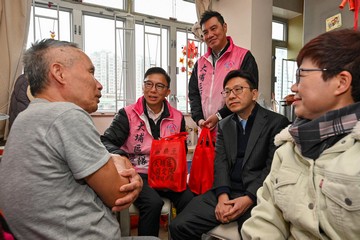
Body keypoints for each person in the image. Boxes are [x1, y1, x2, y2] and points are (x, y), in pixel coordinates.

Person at [0, 39, 157, 240]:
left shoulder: (26, 117)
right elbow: (119, 194)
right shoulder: (67, 114)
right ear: (59, 73)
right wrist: (127, 168)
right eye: (91, 72)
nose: (99, 84)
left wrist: (112, 158)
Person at [241, 28, 360, 239]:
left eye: (301, 75)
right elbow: (267, 219)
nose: (294, 86)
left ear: (341, 82)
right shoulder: (288, 149)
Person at [169, 70, 289, 239]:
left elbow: (273, 168)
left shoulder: (276, 123)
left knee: (254, 235)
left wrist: (249, 198)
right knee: (179, 226)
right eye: (227, 91)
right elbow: (221, 164)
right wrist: (222, 197)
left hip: (259, 194)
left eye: (238, 89)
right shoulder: (225, 125)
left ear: (254, 94)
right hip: (227, 190)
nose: (231, 96)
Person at [101, 67, 194, 237]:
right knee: (152, 203)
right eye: (148, 84)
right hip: (139, 173)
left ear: (167, 91)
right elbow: (106, 141)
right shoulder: (127, 114)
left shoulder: (177, 117)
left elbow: (182, 148)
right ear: (143, 86)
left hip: (168, 173)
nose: (153, 90)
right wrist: (122, 158)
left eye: (159, 86)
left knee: (190, 199)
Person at [189, 10, 259, 138]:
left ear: (225, 27)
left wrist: (219, 116)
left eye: (213, 28)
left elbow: (246, 96)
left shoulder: (244, 57)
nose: (210, 35)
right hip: (206, 136)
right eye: (205, 32)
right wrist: (199, 120)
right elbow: (194, 95)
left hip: (236, 134)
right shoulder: (200, 64)